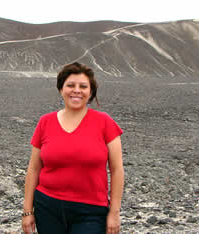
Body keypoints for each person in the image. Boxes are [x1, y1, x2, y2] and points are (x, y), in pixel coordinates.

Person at [21, 62, 124, 234]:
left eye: (83, 86)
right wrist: (27, 211)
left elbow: (117, 170)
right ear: (61, 89)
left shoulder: (105, 123)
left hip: (91, 211)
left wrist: (114, 213)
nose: (76, 90)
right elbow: (33, 169)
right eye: (70, 85)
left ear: (90, 92)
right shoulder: (45, 122)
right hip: (47, 207)